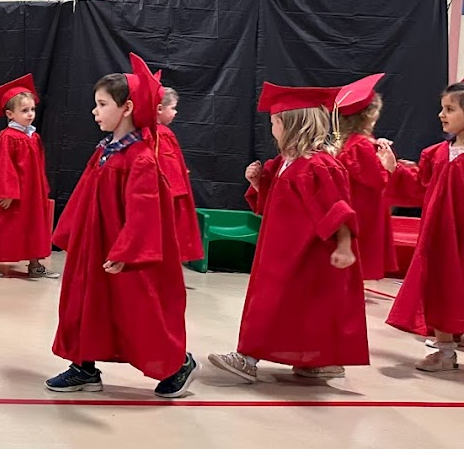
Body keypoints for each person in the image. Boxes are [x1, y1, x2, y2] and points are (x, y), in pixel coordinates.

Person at [45, 54, 197, 399]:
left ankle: (178, 364)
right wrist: (73, 236)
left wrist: (127, 250)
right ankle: (83, 366)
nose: (95, 111)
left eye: (102, 104)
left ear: (126, 108)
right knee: (83, 304)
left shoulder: (141, 157)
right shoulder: (107, 150)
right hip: (94, 248)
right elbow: (85, 196)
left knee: (138, 312)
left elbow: (145, 212)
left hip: (121, 253)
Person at [208, 82, 368, 382]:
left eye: (274, 123)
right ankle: (315, 358)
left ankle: (247, 357)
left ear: (292, 125)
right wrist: (258, 184)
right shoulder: (284, 162)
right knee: (295, 308)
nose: (271, 129)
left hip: (307, 252)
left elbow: (338, 208)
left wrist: (344, 246)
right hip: (280, 249)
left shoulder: (318, 166)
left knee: (278, 303)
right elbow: (274, 205)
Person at [384, 81, 464, 372]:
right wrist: (395, 169)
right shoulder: (435, 154)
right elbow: (419, 186)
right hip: (439, 237)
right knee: (440, 288)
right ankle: (444, 351)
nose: (442, 115)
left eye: (450, 109)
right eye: (442, 108)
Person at [0, 74, 56, 279]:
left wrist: (42, 187)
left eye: (32, 109)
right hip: (12, 195)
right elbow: (1, 167)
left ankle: (35, 264)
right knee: (2, 228)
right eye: (24, 110)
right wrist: (7, 192)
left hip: (31, 193)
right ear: (10, 114)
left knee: (33, 227)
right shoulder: (7, 138)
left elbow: (39, 165)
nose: (30, 114)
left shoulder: (32, 136)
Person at [334, 74, 399, 281]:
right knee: (361, 249)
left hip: (354, 202)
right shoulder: (361, 145)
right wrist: (388, 166)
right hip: (364, 208)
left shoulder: (350, 142)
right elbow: (377, 180)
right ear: (370, 115)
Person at [154, 76, 203, 263]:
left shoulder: (149, 132)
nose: (175, 113)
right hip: (168, 197)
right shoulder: (162, 134)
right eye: (172, 108)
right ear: (159, 109)